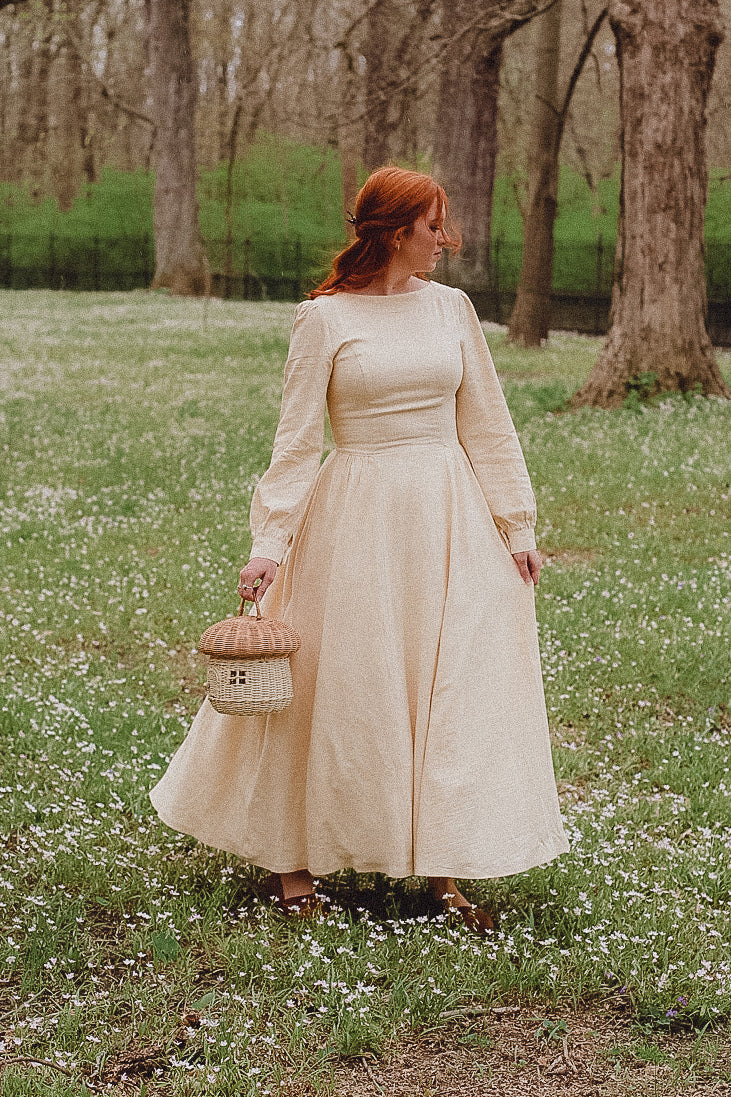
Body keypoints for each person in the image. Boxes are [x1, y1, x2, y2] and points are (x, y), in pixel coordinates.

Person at [150, 166, 569, 932]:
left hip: (447, 516)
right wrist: (269, 541)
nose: (447, 239)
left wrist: (517, 525)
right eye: (434, 225)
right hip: (355, 516)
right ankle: (293, 859)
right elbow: (297, 440)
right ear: (395, 230)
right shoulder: (324, 319)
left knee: (445, 683)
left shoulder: (452, 309)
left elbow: (488, 424)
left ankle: (440, 862)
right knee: (338, 684)